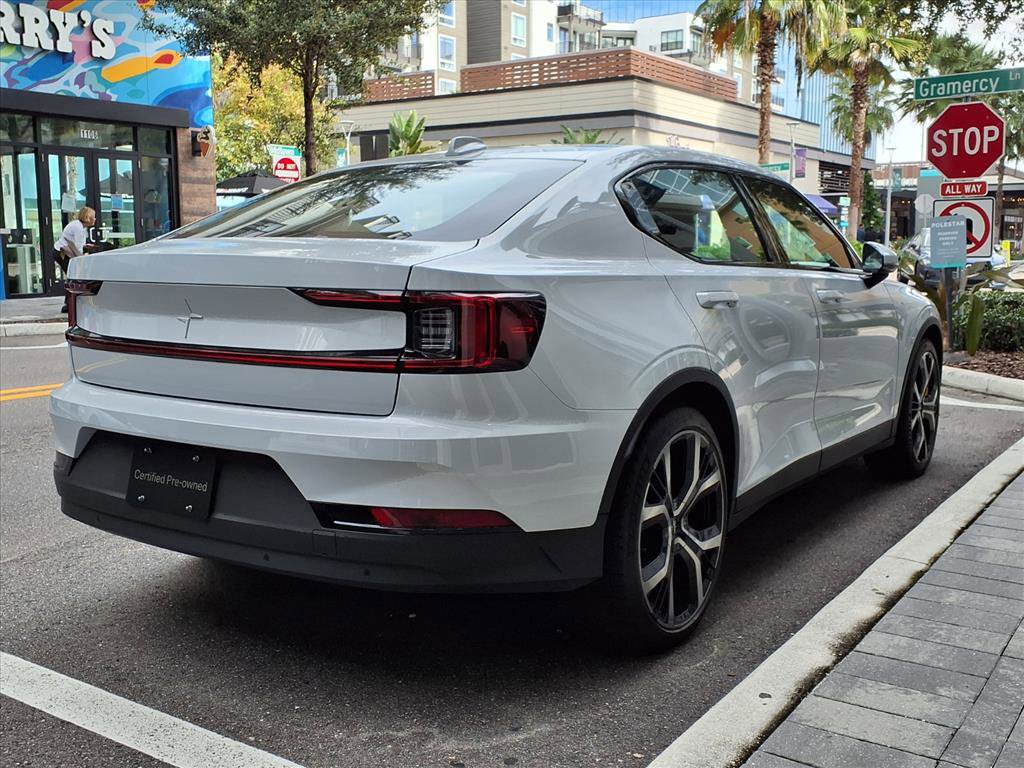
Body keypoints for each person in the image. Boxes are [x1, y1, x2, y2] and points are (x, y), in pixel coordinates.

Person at [54, 206, 95, 313]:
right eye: (93, 217)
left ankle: (69, 304)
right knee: (73, 276)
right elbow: (77, 249)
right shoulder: (78, 228)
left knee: (73, 276)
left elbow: (78, 245)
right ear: (87, 217)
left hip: (65, 252)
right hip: (62, 253)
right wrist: (82, 261)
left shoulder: (80, 226)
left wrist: (85, 246)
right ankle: (68, 305)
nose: (95, 219)